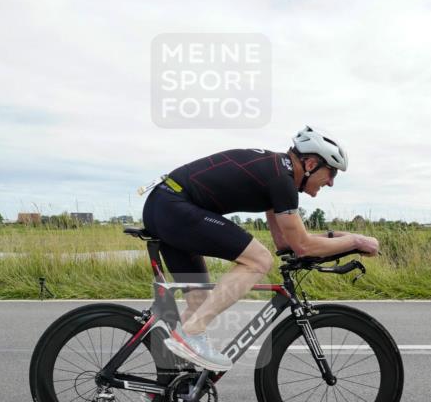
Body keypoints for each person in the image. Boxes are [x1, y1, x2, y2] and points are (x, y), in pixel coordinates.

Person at [140, 127, 380, 371]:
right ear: (309, 163)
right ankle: (192, 333)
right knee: (258, 261)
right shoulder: (281, 180)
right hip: (173, 207)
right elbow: (303, 246)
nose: (330, 183)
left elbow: (286, 243)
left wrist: (336, 237)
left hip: (166, 207)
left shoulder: (277, 172)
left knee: (199, 303)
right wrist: (356, 242)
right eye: (331, 174)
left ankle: (178, 386)